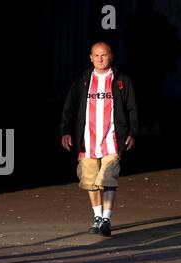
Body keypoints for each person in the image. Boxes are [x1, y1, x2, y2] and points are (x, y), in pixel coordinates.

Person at [60, 42, 138, 237]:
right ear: (91, 58)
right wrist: (65, 131)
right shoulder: (83, 80)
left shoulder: (121, 80)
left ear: (111, 56)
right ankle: (97, 216)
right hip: (87, 140)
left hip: (112, 139)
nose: (100, 59)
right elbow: (69, 107)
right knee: (90, 180)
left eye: (104, 55)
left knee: (109, 177)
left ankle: (107, 219)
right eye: (96, 55)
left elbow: (132, 109)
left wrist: (132, 132)